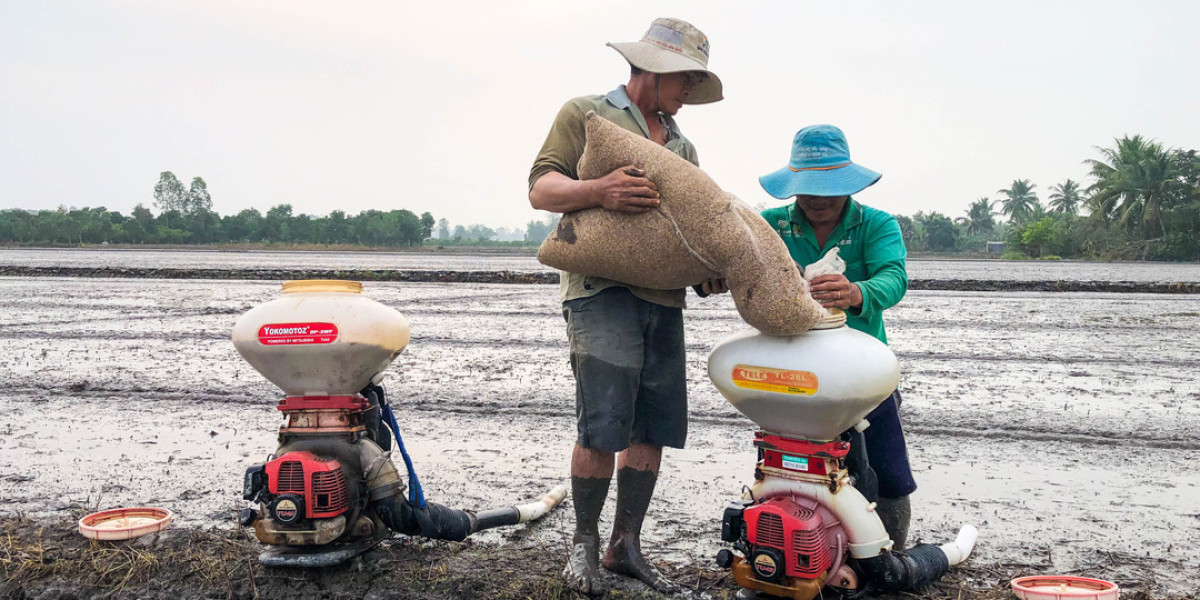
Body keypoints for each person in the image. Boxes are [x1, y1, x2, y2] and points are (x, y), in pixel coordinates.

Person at [527, 17, 727, 595]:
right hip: (600, 291)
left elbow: (686, 232)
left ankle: (624, 546)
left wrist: (704, 275)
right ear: (653, 67)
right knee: (603, 424)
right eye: (685, 76)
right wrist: (599, 190)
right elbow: (541, 188)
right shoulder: (587, 114)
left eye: (695, 78)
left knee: (652, 426)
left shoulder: (684, 146)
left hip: (662, 300)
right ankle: (583, 547)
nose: (689, 89)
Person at [757, 124, 916, 548]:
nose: (818, 198)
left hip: (861, 373)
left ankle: (890, 556)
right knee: (785, 464)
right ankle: (788, 544)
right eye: (808, 188)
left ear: (846, 183)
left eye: (828, 187)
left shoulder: (876, 225)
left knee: (885, 472)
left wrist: (856, 292)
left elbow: (894, 278)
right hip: (791, 369)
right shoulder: (770, 225)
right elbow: (743, 267)